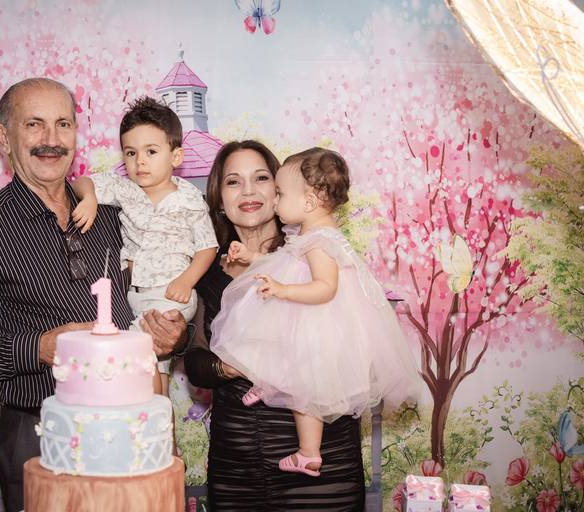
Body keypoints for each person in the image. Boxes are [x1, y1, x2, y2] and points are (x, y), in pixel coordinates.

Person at [0, 78, 186, 512]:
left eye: (63, 124)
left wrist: (174, 332)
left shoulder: (114, 215)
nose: (51, 139)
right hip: (40, 435)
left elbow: (154, 291)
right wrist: (39, 347)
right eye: (34, 124)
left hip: (131, 432)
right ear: (3, 137)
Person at [211, 147, 420, 477]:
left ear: (308, 202)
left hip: (317, 322)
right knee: (266, 326)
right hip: (304, 318)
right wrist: (252, 259)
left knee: (306, 389)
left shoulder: (321, 241)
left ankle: (308, 453)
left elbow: (325, 288)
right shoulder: (308, 235)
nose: (274, 201)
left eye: (280, 194)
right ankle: (268, 380)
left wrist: (284, 290)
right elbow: (283, 261)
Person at [182, 140, 367, 511]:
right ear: (218, 199)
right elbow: (195, 364)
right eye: (233, 181)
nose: (248, 190)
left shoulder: (312, 255)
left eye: (262, 178)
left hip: (322, 459)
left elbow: (347, 339)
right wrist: (235, 366)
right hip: (238, 463)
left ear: (286, 190)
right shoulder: (202, 272)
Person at [71, 96, 218, 395]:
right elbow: (82, 182)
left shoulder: (189, 198)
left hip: (172, 294)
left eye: (151, 151)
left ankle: (147, 416)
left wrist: (186, 281)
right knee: (156, 371)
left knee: (138, 353)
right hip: (137, 296)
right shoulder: (124, 189)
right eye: (131, 152)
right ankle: (161, 423)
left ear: (176, 156)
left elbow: (207, 247)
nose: (140, 161)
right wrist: (89, 198)